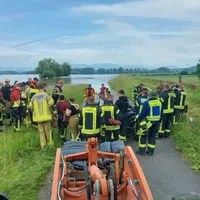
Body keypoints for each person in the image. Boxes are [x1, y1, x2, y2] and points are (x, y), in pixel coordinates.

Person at [29, 83, 57, 149]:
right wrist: (55, 113)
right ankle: (50, 146)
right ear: (43, 87)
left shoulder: (34, 97)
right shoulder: (46, 95)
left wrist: (34, 113)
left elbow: (30, 107)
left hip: (38, 118)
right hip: (46, 117)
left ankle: (43, 147)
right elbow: (52, 106)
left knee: (41, 133)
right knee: (48, 132)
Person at [136, 91, 162, 156]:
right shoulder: (159, 103)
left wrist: (138, 119)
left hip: (148, 122)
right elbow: (161, 112)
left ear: (150, 96)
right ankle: (150, 152)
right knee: (152, 137)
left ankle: (141, 151)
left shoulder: (147, 103)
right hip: (156, 122)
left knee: (143, 135)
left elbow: (143, 113)